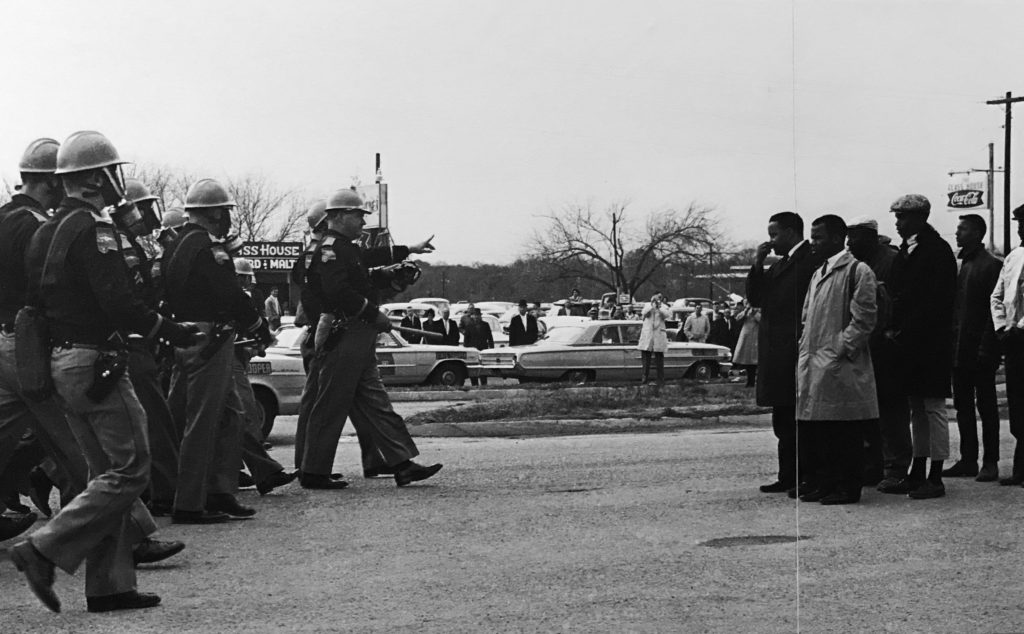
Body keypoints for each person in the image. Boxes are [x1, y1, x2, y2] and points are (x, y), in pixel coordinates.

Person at [13, 131, 200, 613]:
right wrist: (170, 330)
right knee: (130, 470)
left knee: (104, 475)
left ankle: (110, 586)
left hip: (60, 362)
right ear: (96, 178)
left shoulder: (45, 229)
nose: (118, 181)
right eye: (112, 172)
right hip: (96, 361)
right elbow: (119, 302)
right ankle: (43, 548)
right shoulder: (95, 230)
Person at [298, 188, 442, 489]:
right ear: (339, 216)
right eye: (358, 216)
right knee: (330, 404)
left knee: (377, 402)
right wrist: (372, 313)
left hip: (357, 334)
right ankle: (313, 471)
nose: (363, 222)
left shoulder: (344, 248)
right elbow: (338, 291)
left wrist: (408, 251)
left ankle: (401, 463)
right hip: (344, 332)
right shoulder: (329, 249)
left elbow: (365, 263)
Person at [161, 178, 273, 523]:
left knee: (230, 415)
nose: (227, 218)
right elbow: (230, 294)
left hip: (184, 334)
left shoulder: (175, 245)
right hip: (210, 337)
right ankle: (191, 502)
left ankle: (220, 490)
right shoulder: (210, 248)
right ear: (213, 213)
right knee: (203, 421)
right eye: (224, 212)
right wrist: (258, 325)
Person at [795, 215, 878, 505]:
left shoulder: (858, 270)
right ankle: (826, 483)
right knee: (823, 430)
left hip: (839, 363)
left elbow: (864, 319)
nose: (813, 243)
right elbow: (807, 316)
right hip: (815, 361)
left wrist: (839, 349)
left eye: (818, 237)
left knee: (845, 430)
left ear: (836, 238)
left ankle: (848, 487)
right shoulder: (818, 273)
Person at [878, 194, 957, 500]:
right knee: (916, 408)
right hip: (909, 343)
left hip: (931, 342)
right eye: (897, 217)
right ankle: (918, 469)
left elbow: (939, 300)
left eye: (903, 217)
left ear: (920, 217)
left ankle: (935, 475)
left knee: (933, 407)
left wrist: (905, 328)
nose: (898, 223)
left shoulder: (936, 250)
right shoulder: (906, 251)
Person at [747, 211, 825, 495]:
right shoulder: (783, 264)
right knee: (783, 418)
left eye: (775, 235)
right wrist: (757, 264)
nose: (771, 241)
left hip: (794, 349)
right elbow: (757, 297)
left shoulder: (808, 261)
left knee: (798, 419)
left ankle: (804, 476)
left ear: (791, 232)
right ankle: (788, 475)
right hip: (778, 351)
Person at [847, 216, 908, 489]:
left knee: (891, 410)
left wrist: (893, 332)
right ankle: (873, 464)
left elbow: (902, 300)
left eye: (854, 236)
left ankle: (896, 467)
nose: (849, 242)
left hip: (887, 348)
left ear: (870, 236)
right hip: (864, 347)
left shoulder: (892, 261)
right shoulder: (855, 264)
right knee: (868, 411)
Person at [943, 214, 1002, 482]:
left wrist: (987, 348)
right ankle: (968, 460)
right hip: (959, 348)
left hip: (981, 349)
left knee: (987, 406)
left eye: (962, 229)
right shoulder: (962, 264)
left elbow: (994, 311)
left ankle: (990, 461)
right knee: (963, 406)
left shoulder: (991, 265)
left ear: (977, 233)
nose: (957, 233)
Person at [991, 204, 1024, 486]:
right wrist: (1002, 326)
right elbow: (997, 295)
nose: (1021, 228)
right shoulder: (1014, 256)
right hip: (1013, 341)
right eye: (1020, 223)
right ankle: (1020, 467)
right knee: (1017, 403)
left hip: (1020, 334)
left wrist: (1020, 327)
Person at [637, 293, 671, 388]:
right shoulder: (647, 305)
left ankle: (660, 380)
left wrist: (659, 308)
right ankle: (644, 380)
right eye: (657, 297)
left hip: (658, 335)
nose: (658, 299)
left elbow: (667, 315)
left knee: (659, 359)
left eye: (660, 297)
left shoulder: (664, 307)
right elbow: (644, 313)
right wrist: (652, 305)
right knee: (646, 359)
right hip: (648, 335)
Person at [731, 301, 760, 387]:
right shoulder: (746, 310)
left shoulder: (758, 310)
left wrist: (755, 314)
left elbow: (762, 320)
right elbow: (737, 318)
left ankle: (753, 381)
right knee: (746, 360)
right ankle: (749, 381)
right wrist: (745, 311)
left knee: (754, 361)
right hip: (746, 337)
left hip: (755, 336)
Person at [464, 308, 493, 386]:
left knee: (483, 369)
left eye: (478, 315)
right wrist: (467, 350)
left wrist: (491, 349)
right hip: (473, 351)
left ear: (480, 316)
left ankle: (484, 384)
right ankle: (474, 384)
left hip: (483, 350)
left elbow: (490, 338)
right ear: (472, 316)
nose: (476, 317)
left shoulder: (485, 325)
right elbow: (466, 340)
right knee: (473, 368)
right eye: (475, 315)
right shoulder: (469, 326)